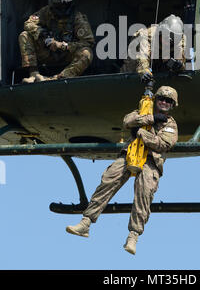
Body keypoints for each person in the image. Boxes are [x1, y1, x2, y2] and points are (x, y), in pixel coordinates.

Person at [65, 85, 179, 255]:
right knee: (108, 180)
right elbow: (127, 121)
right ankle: (85, 222)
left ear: (172, 105)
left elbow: (163, 144)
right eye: (161, 98)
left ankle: (133, 236)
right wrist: (150, 119)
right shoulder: (143, 110)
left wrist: (142, 133)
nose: (164, 102)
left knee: (143, 195)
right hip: (130, 154)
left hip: (151, 162)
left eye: (168, 101)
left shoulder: (170, 125)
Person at [19, 0, 95, 83]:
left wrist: (64, 46)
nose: (63, 9)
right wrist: (43, 35)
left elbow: (88, 42)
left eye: (65, 6)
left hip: (66, 55)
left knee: (86, 53)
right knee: (24, 35)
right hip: (47, 53)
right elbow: (28, 24)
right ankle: (34, 75)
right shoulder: (45, 12)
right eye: (59, 6)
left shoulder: (77, 18)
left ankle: (60, 78)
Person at [120, 14, 186, 82]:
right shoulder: (146, 36)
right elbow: (143, 57)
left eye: (172, 40)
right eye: (165, 37)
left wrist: (178, 66)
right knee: (132, 67)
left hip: (160, 61)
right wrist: (144, 71)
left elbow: (181, 60)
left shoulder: (180, 41)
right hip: (137, 58)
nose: (167, 42)